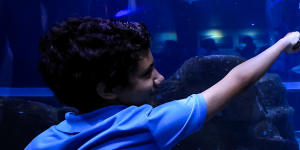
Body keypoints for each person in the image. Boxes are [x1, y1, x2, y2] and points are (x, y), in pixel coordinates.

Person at [25, 17, 300, 150]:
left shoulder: (41, 143)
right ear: (107, 89)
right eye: (147, 74)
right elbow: (238, 79)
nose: (160, 78)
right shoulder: (148, 124)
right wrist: (284, 42)